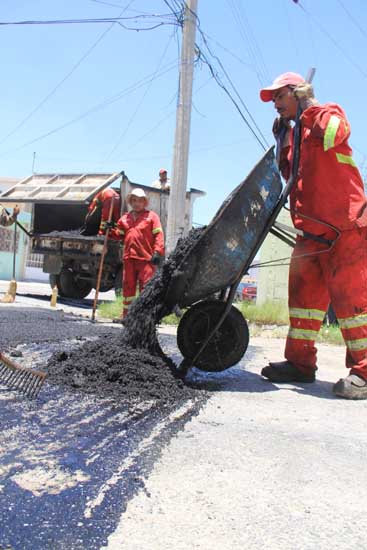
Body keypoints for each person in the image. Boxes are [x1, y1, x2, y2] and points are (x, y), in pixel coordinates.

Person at [259, 71, 367, 399]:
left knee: (352, 303)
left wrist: (310, 107)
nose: (275, 104)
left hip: (345, 229)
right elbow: (290, 175)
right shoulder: (297, 136)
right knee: (303, 302)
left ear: (297, 92)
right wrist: (283, 141)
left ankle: (364, 371)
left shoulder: (326, 114)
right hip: (311, 233)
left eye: (280, 96)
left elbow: (337, 132)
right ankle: (300, 363)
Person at [114, 188, 165, 318]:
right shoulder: (124, 218)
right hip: (129, 258)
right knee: (128, 287)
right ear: (131, 202)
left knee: (146, 288)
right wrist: (111, 229)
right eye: (134, 200)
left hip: (146, 259)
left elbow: (159, 235)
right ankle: (127, 315)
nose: (137, 203)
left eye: (140, 201)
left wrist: (158, 252)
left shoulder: (152, 217)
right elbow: (119, 236)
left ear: (144, 202)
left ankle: (144, 316)